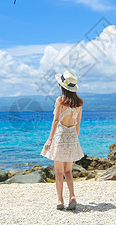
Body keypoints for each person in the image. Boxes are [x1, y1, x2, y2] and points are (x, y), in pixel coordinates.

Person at [40, 70, 84, 210]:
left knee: (59, 172)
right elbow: (78, 124)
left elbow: (56, 120)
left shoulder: (60, 100)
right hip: (71, 138)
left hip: (60, 137)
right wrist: (74, 140)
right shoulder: (79, 103)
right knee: (68, 171)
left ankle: (60, 200)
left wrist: (49, 139)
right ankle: (72, 196)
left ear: (62, 86)